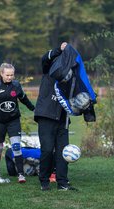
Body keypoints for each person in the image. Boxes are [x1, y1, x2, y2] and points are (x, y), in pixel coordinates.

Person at [34, 42, 77, 191]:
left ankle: (62, 183)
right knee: (46, 150)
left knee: (62, 152)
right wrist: (59, 49)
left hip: (63, 118)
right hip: (45, 115)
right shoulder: (49, 69)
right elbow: (45, 58)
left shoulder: (71, 76)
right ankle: (44, 181)